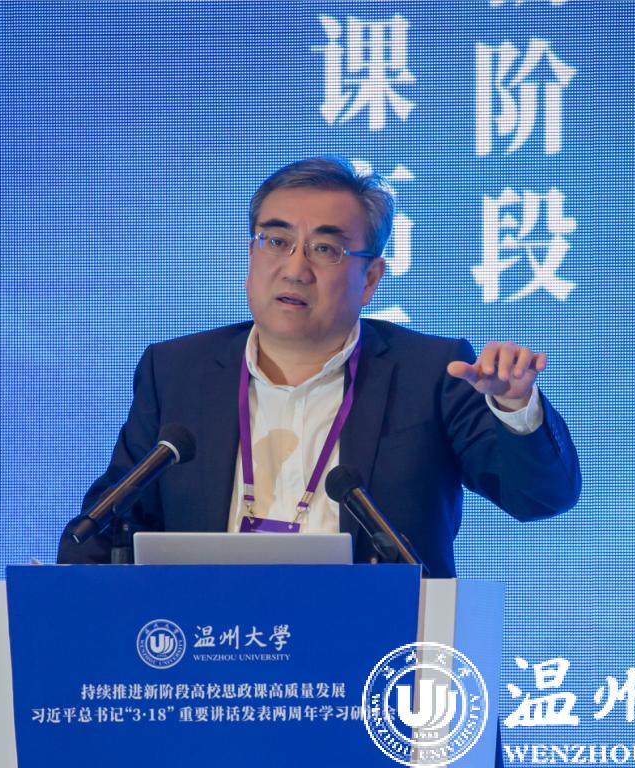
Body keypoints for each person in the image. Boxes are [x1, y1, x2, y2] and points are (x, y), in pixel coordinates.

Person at [58, 155, 580, 576]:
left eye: (325, 249)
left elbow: (539, 498)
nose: (295, 268)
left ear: (370, 279)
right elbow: (103, 528)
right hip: (209, 651)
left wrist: (514, 406)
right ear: (251, 256)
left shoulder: (429, 373)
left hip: (377, 654)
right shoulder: (178, 371)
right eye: (276, 241)